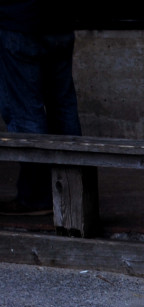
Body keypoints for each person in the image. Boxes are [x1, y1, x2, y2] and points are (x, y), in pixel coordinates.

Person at [0, 0, 82, 215]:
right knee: (63, 109)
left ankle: (36, 197)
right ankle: (73, 193)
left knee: (26, 113)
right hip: (60, 22)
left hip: (19, 22)